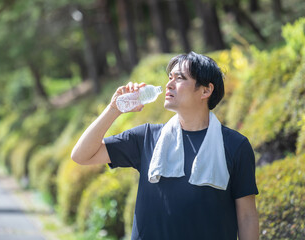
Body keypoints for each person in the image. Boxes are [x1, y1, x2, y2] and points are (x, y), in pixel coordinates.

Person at [71, 51, 259, 240]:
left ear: (205, 90)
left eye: (180, 78)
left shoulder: (235, 146)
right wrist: (114, 109)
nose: (169, 84)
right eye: (170, 77)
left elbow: (247, 217)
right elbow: (81, 155)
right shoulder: (146, 137)